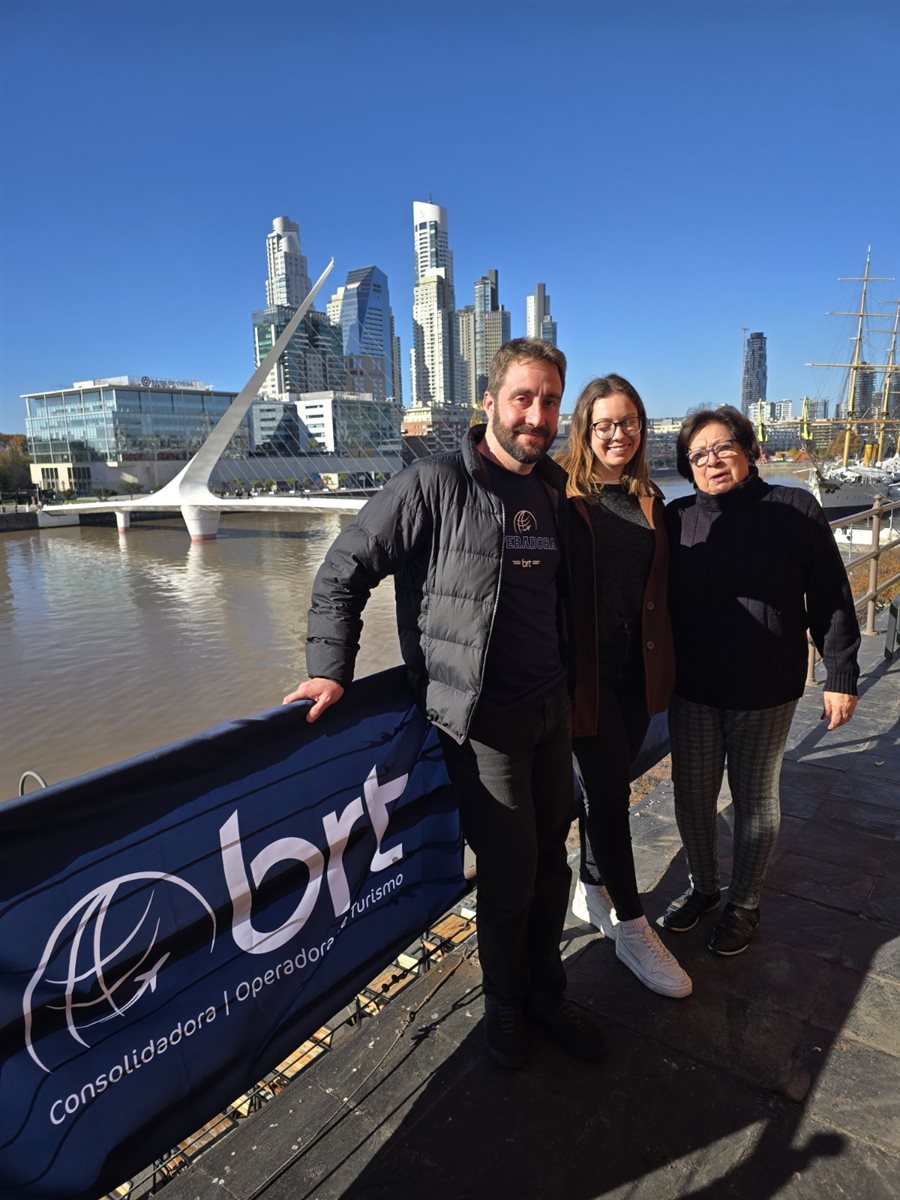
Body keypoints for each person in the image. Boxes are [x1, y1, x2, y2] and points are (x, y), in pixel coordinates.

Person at [284, 338, 606, 1069]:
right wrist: (330, 667)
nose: (537, 414)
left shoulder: (554, 488)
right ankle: (504, 1011)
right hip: (481, 723)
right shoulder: (432, 484)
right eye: (522, 398)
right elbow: (344, 567)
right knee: (511, 875)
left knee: (554, 865)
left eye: (550, 400)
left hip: (550, 711)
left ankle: (545, 995)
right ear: (488, 402)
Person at [660, 405, 860, 955]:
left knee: (755, 799)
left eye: (724, 447)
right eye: (698, 454)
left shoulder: (793, 508)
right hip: (693, 689)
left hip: (766, 688)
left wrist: (840, 672)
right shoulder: (675, 520)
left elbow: (830, 596)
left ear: (750, 451)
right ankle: (703, 889)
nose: (711, 460)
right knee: (692, 796)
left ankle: (744, 903)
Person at [557, 376, 692, 999]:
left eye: (630, 422)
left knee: (610, 784)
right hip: (584, 677)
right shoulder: (560, 492)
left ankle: (591, 889)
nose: (619, 434)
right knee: (609, 794)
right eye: (606, 423)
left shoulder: (649, 498)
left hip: (639, 673)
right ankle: (634, 928)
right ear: (584, 427)